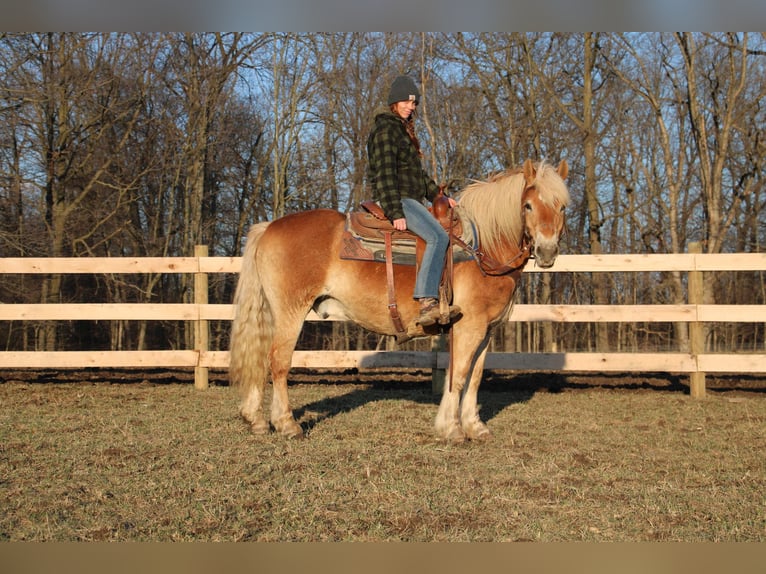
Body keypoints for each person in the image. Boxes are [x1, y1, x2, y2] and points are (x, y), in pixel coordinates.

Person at [366, 74, 457, 327]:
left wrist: (440, 197)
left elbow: (417, 176)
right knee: (438, 237)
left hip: (409, 196)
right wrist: (395, 212)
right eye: (406, 102)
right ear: (394, 102)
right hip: (399, 199)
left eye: (414, 103)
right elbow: (385, 174)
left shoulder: (401, 131)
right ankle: (427, 301)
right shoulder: (386, 131)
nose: (411, 107)